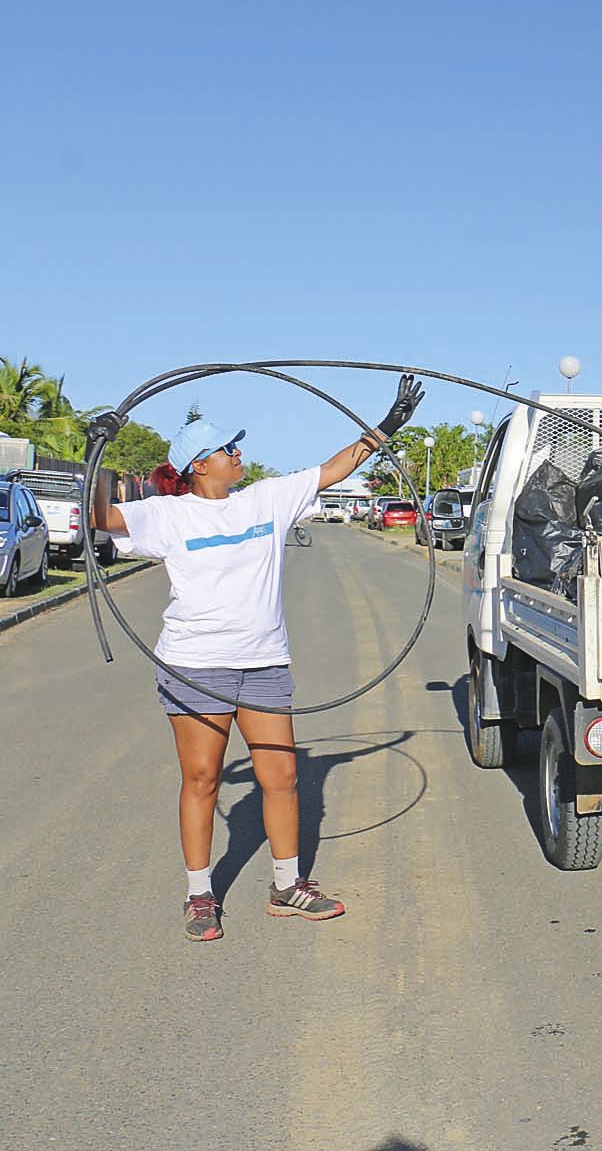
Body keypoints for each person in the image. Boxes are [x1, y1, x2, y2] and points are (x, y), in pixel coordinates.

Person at [87, 376, 425, 942]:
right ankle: (200, 895)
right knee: (202, 778)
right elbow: (102, 518)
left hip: (264, 663)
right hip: (196, 665)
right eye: (227, 448)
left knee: (283, 776)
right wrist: (95, 455)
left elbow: (334, 468)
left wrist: (388, 425)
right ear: (199, 465)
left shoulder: (266, 499)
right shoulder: (168, 514)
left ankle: (288, 885)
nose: (238, 453)